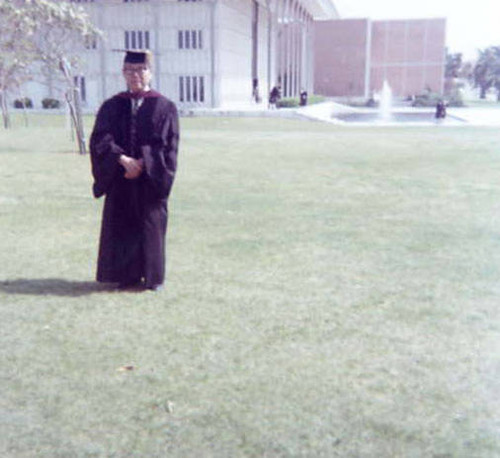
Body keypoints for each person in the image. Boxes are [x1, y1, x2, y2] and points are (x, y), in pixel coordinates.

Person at [89, 50, 179, 291]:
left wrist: (142, 163)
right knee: (123, 225)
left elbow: (168, 145)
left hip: (150, 180)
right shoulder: (112, 105)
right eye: (129, 70)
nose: (135, 75)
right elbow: (100, 138)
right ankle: (125, 276)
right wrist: (121, 159)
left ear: (150, 72)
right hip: (120, 177)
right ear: (123, 73)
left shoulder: (164, 106)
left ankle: (152, 278)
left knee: (151, 226)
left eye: (140, 70)